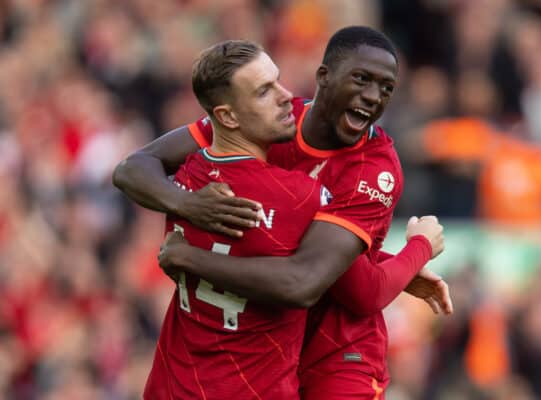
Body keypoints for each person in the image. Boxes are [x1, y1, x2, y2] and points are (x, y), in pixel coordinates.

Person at [114, 26, 450, 399]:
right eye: (361, 79)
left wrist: (410, 253)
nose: (373, 97)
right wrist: (189, 205)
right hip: (261, 340)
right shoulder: (267, 121)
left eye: (386, 88)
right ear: (324, 76)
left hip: (337, 350)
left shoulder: (375, 171)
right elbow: (133, 167)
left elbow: (348, 290)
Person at [143, 40, 329, 399]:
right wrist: (415, 252)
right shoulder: (298, 195)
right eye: (264, 92)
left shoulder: (187, 174)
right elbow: (328, 275)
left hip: (171, 388)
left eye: (277, 81)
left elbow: (135, 167)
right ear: (227, 116)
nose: (286, 96)